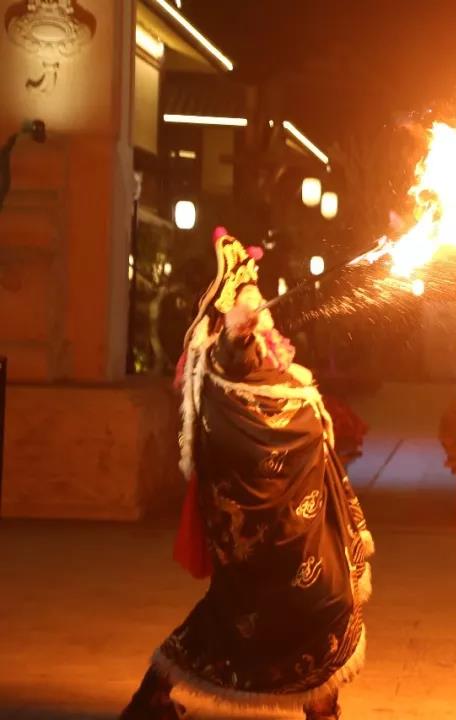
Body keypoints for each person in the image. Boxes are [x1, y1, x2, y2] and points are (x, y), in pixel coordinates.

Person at [121, 233, 374, 720]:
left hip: (293, 517)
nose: (262, 303)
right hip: (262, 522)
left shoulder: (263, 358)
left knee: (316, 598)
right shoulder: (228, 356)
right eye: (251, 297)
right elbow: (235, 359)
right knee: (273, 607)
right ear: (232, 313)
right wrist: (239, 329)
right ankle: (155, 695)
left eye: (259, 296)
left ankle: (320, 707)